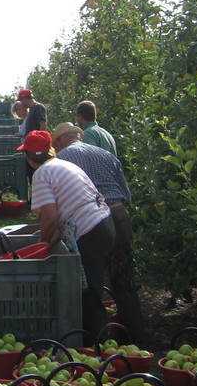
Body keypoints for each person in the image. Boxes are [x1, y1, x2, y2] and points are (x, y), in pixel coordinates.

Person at [19, 130, 115, 346]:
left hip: (89, 229)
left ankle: (98, 349)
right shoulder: (65, 165)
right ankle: (94, 343)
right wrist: (49, 243)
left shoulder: (42, 173)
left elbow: (50, 218)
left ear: (28, 156)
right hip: (104, 223)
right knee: (90, 288)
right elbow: (62, 220)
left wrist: (41, 246)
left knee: (89, 294)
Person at [52, 123, 145, 342]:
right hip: (119, 214)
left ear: (58, 142)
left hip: (92, 221)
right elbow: (126, 194)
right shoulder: (106, 154)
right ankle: (137, 334)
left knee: (92, 282)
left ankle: (99, 340)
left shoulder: (62, 160)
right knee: (123, 277)